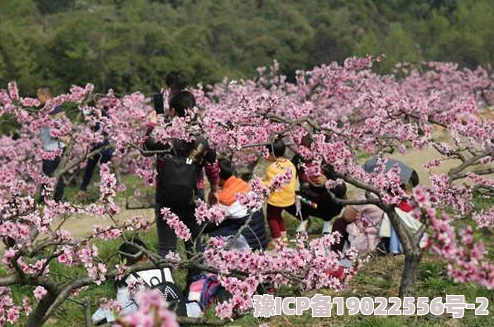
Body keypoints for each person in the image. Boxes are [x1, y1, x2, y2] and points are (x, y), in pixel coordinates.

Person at [142, 90, 216, 286]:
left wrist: (152, 125)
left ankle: (166, 290)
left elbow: (146, 147)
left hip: (166, 195)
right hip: (193, 194)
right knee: (195, 245)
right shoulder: (200, 135)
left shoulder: (163, 131)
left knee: (166, 248)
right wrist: (214, 188)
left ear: (173, 110)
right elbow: (211, 161)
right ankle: (197, 288)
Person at [92, 238, 201, 325]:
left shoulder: (127, 277)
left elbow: (121, 305)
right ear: (145, 254)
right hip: (178, 313)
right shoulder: (164, 267)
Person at [288, 134, 347, 235]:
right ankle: (305, 220)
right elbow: (288, 176)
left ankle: (328, 222)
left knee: (327, 196)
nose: (303, 152)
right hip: (310, 203)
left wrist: (327, 183)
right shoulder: (298, 159)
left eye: (305, 149)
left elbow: (342, 189)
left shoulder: (327, 159)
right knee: (287, 196)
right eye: (301, 149)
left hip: (329, 202)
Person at [205, 158, 268, 251]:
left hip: (246, 244)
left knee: (208, 238)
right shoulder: (242, 184)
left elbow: (211, 222)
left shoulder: (224, 198)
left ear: (217, 177)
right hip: (259, 239)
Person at [262, 138, 297, 245]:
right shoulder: (290, 163)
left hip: (277, 199)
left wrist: (260, 184)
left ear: (272, 153)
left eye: (265, 152)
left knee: (271, 217)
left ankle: (277, 239)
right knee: (278, 215)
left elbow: (269, 185)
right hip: (288, 198)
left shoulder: (272, 168)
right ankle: (284, 236)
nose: (264, 155)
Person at [38, 86, 69, 202]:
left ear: (45, 96)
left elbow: (61, 129)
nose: (38, 99)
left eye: (39, 96)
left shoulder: (54, 109)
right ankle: (53, 200)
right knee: (53, 175)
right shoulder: (51, 109)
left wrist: (58, 136)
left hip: (53, 148)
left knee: (50, 176)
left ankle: (49, 201)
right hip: (50, 147)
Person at [79, 106, 114, 192]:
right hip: (95, 147)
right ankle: (83, 188)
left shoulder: (105, 118)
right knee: (89, 168)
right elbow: (90, 126)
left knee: (104, 169)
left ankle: (106, 189)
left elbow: (107, 125)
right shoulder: (92, 119)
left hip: (104, 147)